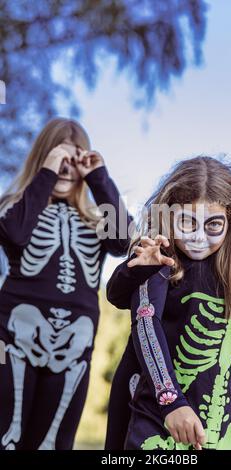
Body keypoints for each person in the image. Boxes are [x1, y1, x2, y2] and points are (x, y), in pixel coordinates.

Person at [107, 169, 231, 450]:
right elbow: (129, 304)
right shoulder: (187, 267)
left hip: (227, 439)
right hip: (157, 429)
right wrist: (171, 401)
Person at [0, 117, 132, 450]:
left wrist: (100, 178)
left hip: (73, 351)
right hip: (14, 340)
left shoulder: (95, 219)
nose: (66, 168)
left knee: (54, 443)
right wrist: (45, 174)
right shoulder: (16, 208)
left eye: (76, 160)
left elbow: (124, 240)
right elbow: (14, 235)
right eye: (59, 158)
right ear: (44, 158)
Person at [105, 155, 231, 449]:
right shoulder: (160, 255)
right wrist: (140, 267)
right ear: (168, 217)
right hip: (144, 398)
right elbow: (118, 295)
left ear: (230, 219)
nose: (198, 237)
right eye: (187, 223)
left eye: (213, 225)